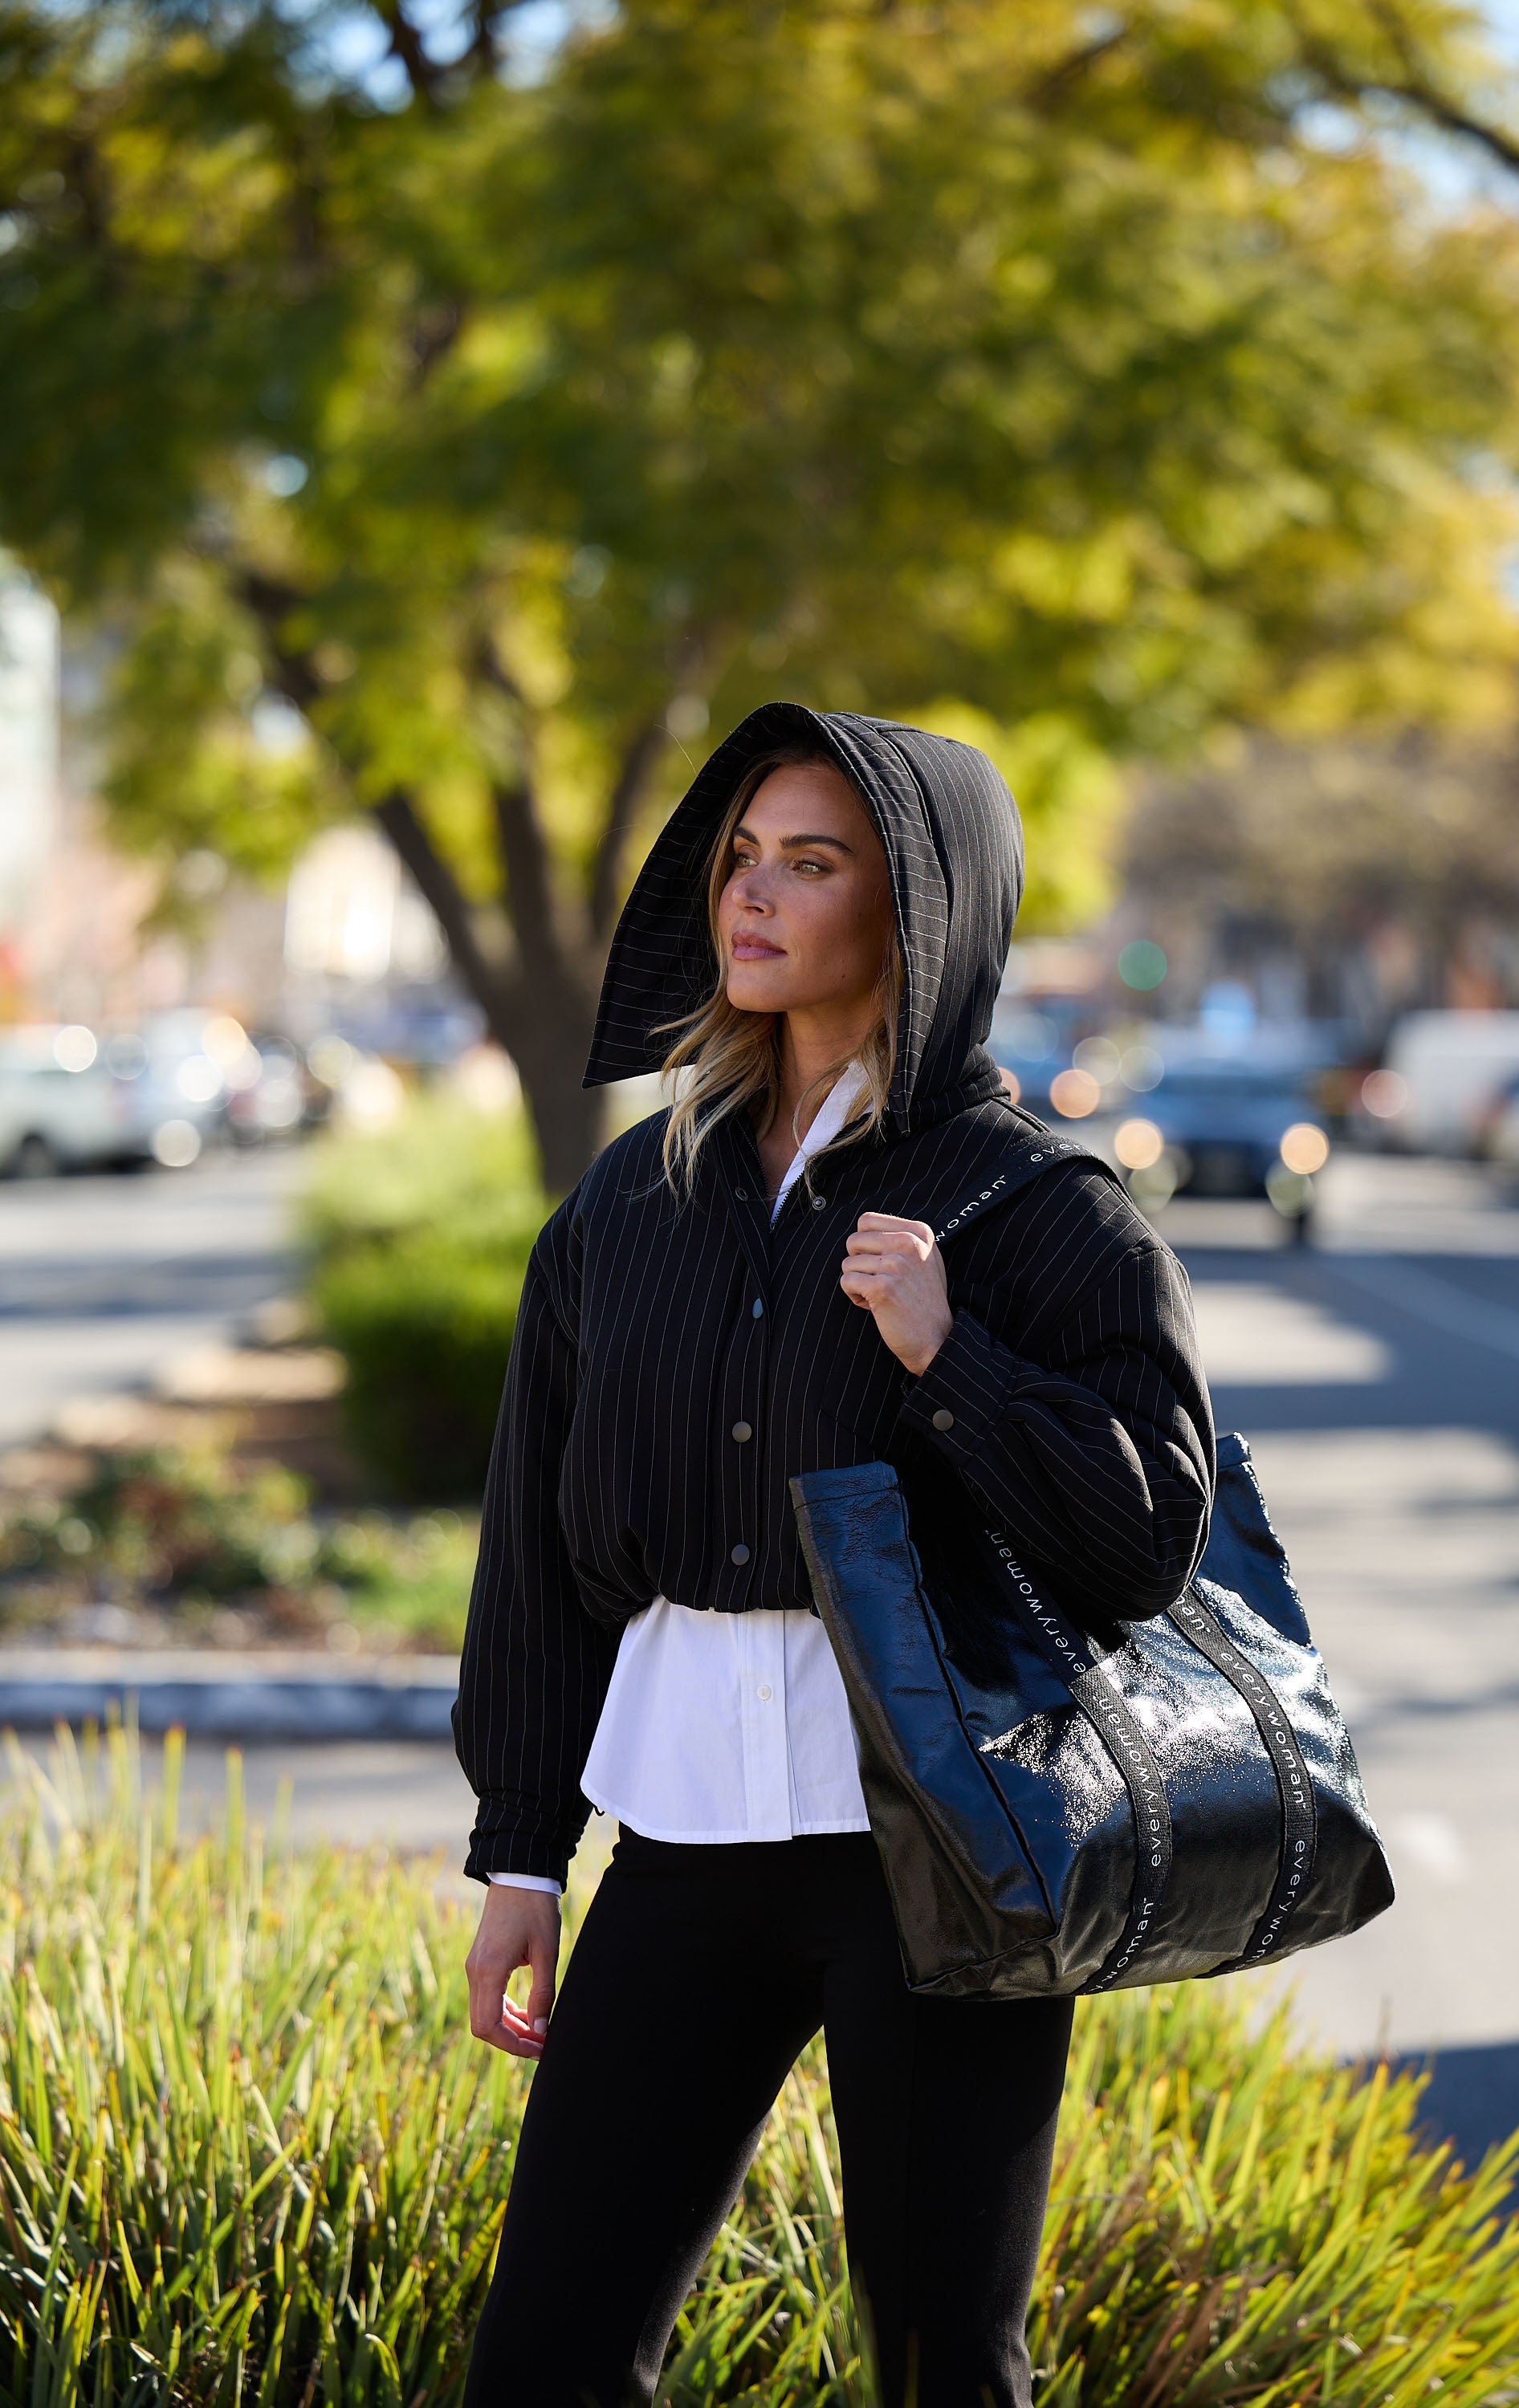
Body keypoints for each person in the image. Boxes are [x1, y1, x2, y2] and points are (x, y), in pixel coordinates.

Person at [454, 702, 1214, 2407]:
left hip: (944, 1853)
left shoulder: (1044, 1208)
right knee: (546, 2359)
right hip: (686, 1841)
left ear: (919, 912)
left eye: (814, 863)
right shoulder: (630, 1204)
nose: (756, 896)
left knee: (949, 2366)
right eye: (741, 857)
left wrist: (956, 1358)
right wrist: (518, 1852)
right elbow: (540, 1549)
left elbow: (1146, 1535)